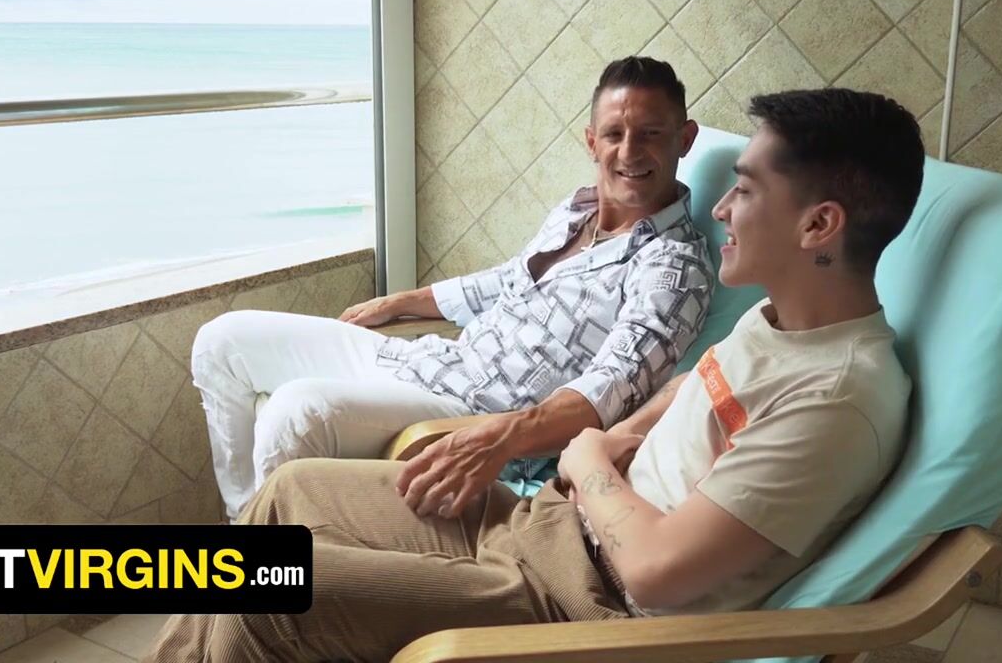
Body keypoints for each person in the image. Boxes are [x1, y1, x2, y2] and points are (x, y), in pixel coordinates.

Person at [146, 87, 925, 662]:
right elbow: (693, 385)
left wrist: (586, 457)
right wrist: (618, 440)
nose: (721, 207)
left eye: (746, 190)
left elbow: (655, 574)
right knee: (286, 497)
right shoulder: (779, 321)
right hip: (544, 525)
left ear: (819, 225)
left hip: (584, 606)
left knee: (274, 595)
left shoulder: (835, 400)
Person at [192, 56, 713, 521]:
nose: (629, 152)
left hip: (475, 410)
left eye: (651, 134)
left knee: (295, 412)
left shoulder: (674, 266)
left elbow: (607, 392)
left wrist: (501, 438)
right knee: (222, 343)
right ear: (591, 141)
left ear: (684, 139)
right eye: (615, 133)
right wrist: (399, 302)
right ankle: (245, 521)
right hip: (430, 361)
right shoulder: (576, 211)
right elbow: (508, 279)